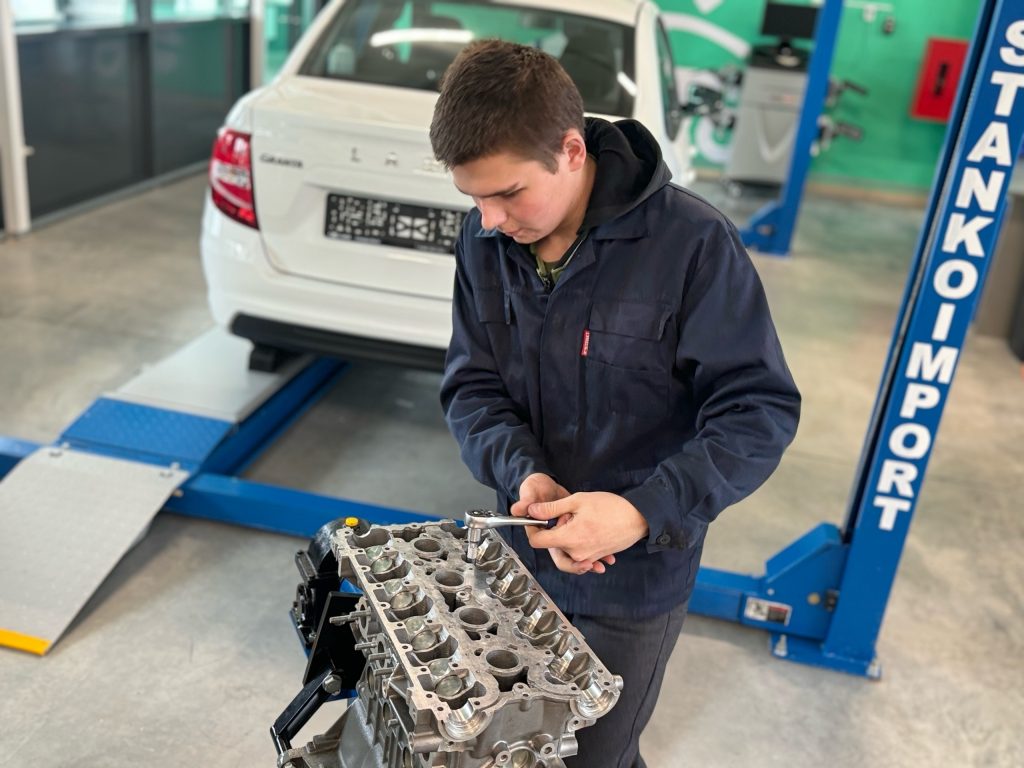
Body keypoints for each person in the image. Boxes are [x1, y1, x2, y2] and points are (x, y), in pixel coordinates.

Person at [430, 39, 800, 767]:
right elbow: (472, 385)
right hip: (518, 559)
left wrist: (639, 512)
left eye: (508, 194)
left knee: (593, 755)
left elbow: (757, 411)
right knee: (507, 747)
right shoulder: (484, 242)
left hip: (635, 582)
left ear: (571, 151)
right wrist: (523, 473)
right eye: (473, 198)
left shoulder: (692, 245)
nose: (489, 219)